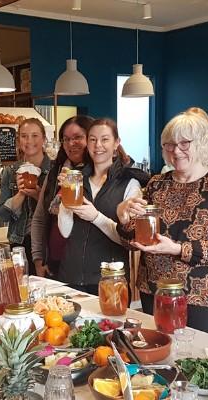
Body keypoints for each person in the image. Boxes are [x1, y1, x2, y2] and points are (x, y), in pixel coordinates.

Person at [117, 110, 208, 334]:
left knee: (193, 352)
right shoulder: (157, 184)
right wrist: (125, 221)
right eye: (169, 144)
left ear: (202, 143)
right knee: (154, 347)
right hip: (152, 287)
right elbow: (133, 241)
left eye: (184, 143)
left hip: (197, 293)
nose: (176, 150)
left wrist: (177, 249)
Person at [57, 118, 149, 295]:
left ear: (116, 143)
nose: (98, 145)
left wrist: (96, 217)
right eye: (92, 139)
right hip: (70, 276)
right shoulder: (77, 179)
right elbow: (65, 231)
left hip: (110, 280)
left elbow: (129, 239)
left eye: (105, 139)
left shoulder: (129, 183)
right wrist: (66, 196)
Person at [30, 115, 92, 278]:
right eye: (66, 139)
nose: (71, 144)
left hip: (88, 269)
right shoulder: (55, 173)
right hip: (55, 265)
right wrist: (38, 260)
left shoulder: (99, 175)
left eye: (77, 137)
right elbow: (39, 218)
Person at [0, 118, 52, 271]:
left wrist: (38, 196)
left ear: (44, 139)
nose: (29, 141)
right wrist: (20, 194)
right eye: (24, 136)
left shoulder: (55, 170)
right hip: (19, 243)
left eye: (35, 135)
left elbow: (60, 213)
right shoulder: (10, 171)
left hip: (47, 244)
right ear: (18, 140)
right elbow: (2, 215)